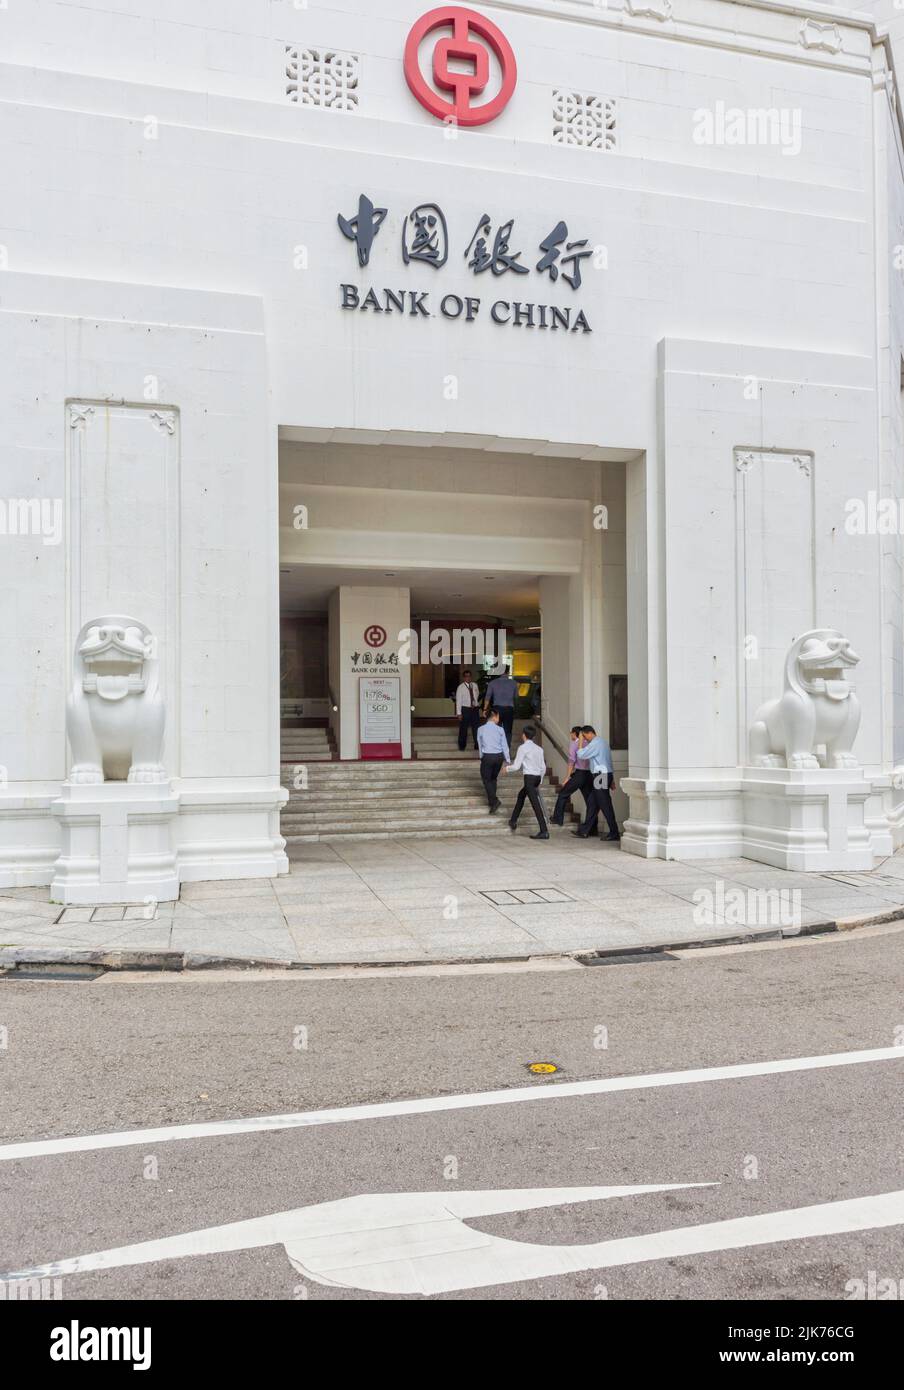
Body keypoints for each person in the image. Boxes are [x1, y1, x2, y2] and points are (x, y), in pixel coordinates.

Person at [573, 725, 620, 841]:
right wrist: (612, 779)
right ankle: (584, 831)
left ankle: (614, 832)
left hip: (600, 776)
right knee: (592, 803)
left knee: (605, 805)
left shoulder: (595, 743)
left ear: (589, 733)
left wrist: (579, 742)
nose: (584, 739)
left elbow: (581, 755)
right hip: (605, 774)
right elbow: (608, 760)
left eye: (584, 736)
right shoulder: (603, 742)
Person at [504, 724, 549, 840]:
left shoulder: (522, 748)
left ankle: (544, 831)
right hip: (537, 778)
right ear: (533, 736)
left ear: (524, 735)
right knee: (521, 795)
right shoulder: (539, 749)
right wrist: (540, 780)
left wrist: (506, 769)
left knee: (536, 805)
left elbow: (516, 766)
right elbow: (543, 767)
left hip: (529, 778)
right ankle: (513, 820)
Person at [550, 725, 594, 829]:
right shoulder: (589, 743)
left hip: (579, 774)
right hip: (589, 775)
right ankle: (592, 827)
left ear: (575, 733)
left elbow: (571, 761)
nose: (570, 735)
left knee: (563, 793)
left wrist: (567, 777)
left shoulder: (574, 744)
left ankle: (558, 818)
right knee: (590, 801)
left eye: (571, 733)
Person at [476, 707, 509, 813]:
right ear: (494, 716)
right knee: (493, 778)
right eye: (498, 716)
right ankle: (492, 803)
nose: (499, 718)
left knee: (486, 779)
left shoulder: (480, 729)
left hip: (488, 756)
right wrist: (507, 760)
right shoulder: (500, 729)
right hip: (499, 757)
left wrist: (481, 756)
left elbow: (480, 745)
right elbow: (505, 745)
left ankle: (494, 801)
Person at [483, 667, 517, 746]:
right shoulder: (514, 683)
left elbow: (487, 697)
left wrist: (485, 709)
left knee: (496, 730)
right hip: (509, 709)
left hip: (497, 710)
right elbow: (516, 697)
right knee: (508, 731)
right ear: (508, 672)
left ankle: (496, 749)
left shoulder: (492, 683)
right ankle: (506, 750)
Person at [454, 669, 481, 751]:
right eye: (466, 676)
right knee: (463, 728)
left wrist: (476, 704)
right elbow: (458, 701)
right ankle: (462, 746)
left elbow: (477, 695)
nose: (468, 678)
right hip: (465, 709)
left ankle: (477, 744)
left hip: (475, 709)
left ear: (471, 677)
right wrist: (459, 713)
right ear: (464, 678)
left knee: (476, 728)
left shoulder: (475, 685)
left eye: (469, 676)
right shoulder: (460, 687)